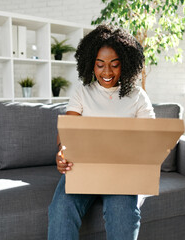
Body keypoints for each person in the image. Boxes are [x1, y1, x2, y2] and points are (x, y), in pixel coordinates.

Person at [48, 24, 155, 240]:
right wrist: (62, 150)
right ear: (91, 64)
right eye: (100, 65)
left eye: (114, 65)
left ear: (125, 64)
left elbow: (150, 139)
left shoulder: (137, 96)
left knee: (123, 217)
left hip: (122, 172)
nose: (107, 72)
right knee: (60, 210)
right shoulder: (82, 91)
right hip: (83, 167)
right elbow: (68, 129)